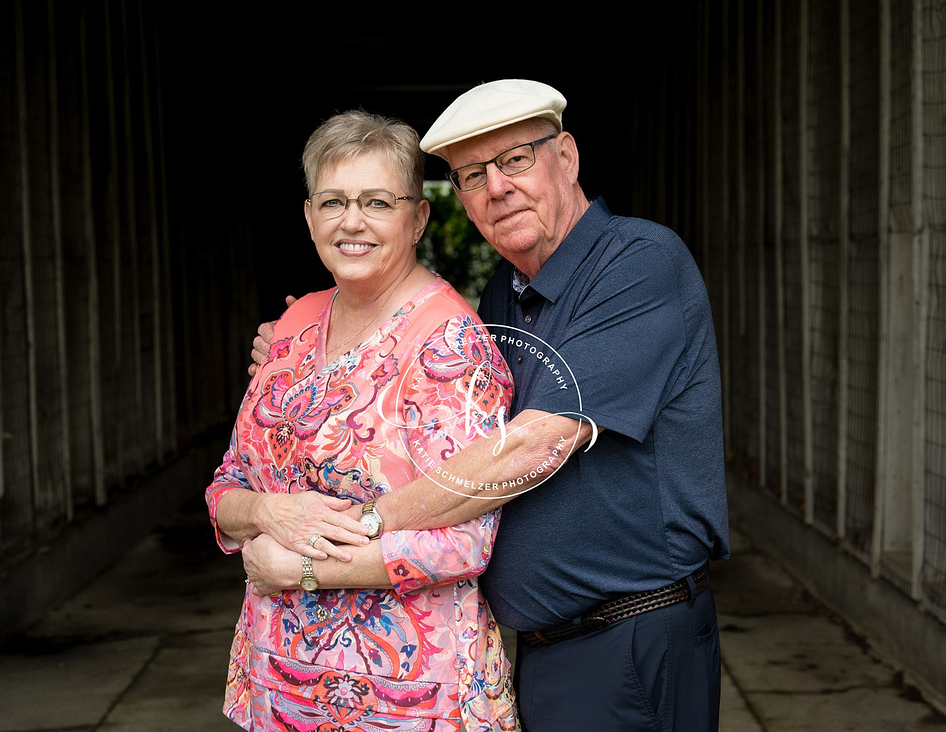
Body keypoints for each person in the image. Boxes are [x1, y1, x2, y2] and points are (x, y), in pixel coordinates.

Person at [254, 79, 728, 731]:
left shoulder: (638, 262)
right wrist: (314, 356)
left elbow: (537, 443)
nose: (497, 187)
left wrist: (351, 531)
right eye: (472, 174)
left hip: (630, 639)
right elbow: (424, 403)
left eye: (516, 160)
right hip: (550, 649)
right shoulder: (507, 296)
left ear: (566, 157)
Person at [206, 109, 518, 731]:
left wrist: (299, 569)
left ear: (419, 217)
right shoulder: (292, 328)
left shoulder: (447, 345)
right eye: (333, 201)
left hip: (409, 694)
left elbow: (466, 541)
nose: (352, 222)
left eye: (377, 201)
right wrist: (266, 512)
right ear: (308, 216)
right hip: (278, 682)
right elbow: (226, 483)